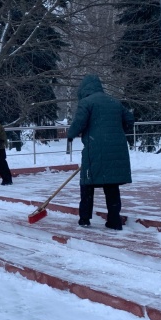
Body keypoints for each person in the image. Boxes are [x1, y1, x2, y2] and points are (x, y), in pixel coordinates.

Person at [67, 75, 134, 230]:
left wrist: (71, 135)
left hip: (95, 148)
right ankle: (114, 221)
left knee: (87, 183)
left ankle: (84, 219)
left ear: (84, 89)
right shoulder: (114, 102)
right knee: (111, 186)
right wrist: (116, 133)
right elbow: (130, 119)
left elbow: (79, 123)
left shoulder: (86, 102)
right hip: (116, 150)